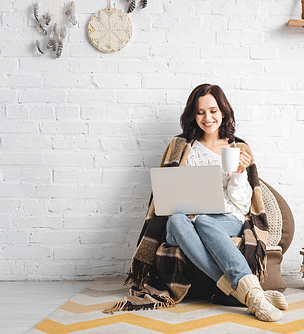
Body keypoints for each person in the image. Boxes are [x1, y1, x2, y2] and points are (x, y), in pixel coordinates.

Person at [106, 84, 287, 322]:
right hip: (184, 223)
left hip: (225, 220)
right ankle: (254, 293)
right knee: (179, 220)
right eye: (200, 112)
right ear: (193, 114)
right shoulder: (180, 147)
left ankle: (249, 296)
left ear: (223, 112)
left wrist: (240, 172)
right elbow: (165, 193)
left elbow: (242, 204)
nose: (207, 117)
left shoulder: (238, 148)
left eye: (213, 110)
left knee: (205, 221)